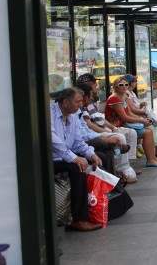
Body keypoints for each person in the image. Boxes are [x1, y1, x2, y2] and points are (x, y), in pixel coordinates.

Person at [50, 87, 103, 231]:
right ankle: (79, 219)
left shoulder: (72, 117)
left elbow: (78, 143)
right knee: (77, 168)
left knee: (97, 159)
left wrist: (91, 154)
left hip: (63, 156)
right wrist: (74, 158)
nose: (80, 105)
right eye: (77, 102)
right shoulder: (49, 113)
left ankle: (98, 205)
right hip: (48, 160)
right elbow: (54, 142)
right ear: (66, 102)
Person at [76, 81, 138, 183]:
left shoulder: (84, 107)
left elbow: (92, 124)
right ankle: (118, 172)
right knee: (113, 142)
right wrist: (106, 137)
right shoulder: (80, 110)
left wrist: (111, 129)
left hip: (90, 135)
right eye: (94, 85)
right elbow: (88, 127)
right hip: (85, 139)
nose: (96, 87)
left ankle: (124, 168)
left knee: (130, 133)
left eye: (126, 85)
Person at [105, 76, 157, 167]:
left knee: (150, 129)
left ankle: (152, 158)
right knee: (147, 132)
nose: (124, 86)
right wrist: (142, 121)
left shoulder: (123, 96)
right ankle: (150, 159)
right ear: (115, 87)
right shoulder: (114, 99)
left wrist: (142, 120)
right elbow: (125, 117)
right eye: (121, 85)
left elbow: (129, 112)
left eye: (126, 84)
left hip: (125, 124)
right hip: (117, 126)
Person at [122, 74, 157, 157]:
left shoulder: (131, 93)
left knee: (154, 124)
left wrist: (142, 107)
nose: (136, 83)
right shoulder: (125, 95)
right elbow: (130, 112)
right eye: (135, 82)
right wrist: (143, 116)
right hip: (132, 119)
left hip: (136, 116)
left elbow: (131, 110)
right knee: (150, 126)